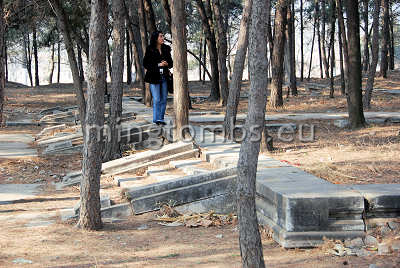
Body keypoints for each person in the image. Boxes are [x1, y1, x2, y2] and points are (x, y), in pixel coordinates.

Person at [143, 31, 173, 126]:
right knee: (156, 99)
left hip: (164, 77)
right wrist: (159, 64)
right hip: (153, 77)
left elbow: (171, 64)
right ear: (156, 38)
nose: (163, 38)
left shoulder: (166, 48)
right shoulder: (150, 49)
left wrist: (167, 64)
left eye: (163, 36)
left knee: (164, 99)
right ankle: (156, 119)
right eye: (161, 36)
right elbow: (146, 64)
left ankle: (160, 119)